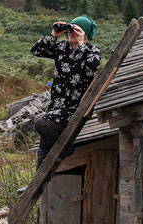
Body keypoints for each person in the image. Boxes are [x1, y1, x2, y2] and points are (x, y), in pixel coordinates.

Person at [30, 14, 101, 167]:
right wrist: (54, 34)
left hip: (75, 108)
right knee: (43, 154)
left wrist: (81, 45)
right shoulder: (62, 48)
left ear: (86, 34)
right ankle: (41, 187)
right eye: (70, 29)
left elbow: (91, 68)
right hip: (55, 106)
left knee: (41, 123)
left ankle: (65, 148)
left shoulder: (92, 51)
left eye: (76, 30)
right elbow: (36, 51)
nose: (71, 33)